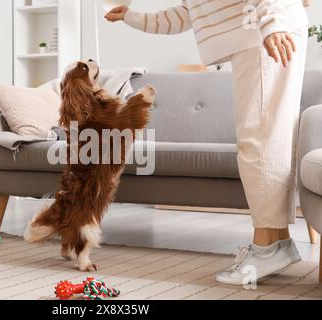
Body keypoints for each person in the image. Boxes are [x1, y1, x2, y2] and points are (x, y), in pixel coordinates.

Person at [105, 0, 310, 285]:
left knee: (260, 139)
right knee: (265, 137)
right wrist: (131, 17)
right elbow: (186, 14)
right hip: (259, 33)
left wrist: (273, 22)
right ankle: (277, 243)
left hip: (266, 32)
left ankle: (266, 248)